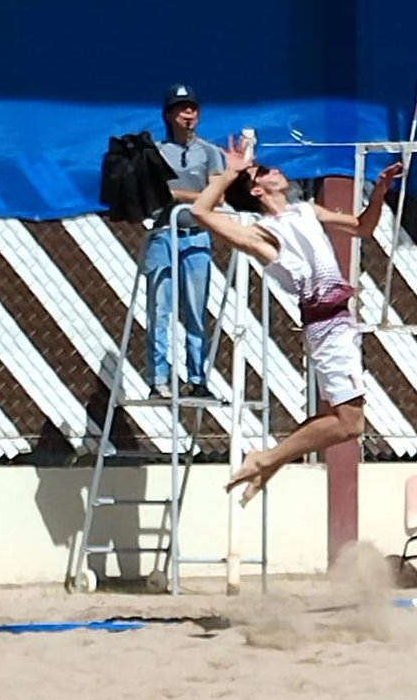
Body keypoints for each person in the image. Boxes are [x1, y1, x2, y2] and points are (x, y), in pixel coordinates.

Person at [191, 138, 402, 503]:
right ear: (256, 189)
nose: (275, 169)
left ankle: (271, 462)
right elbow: (200, 211)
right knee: (350, 423)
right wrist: (230, 174)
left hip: (340, 323)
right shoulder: (261, 234)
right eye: (263, 171)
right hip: (326, 325)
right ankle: (266, 458)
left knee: (342, 420)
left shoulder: (306, 210)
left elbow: (362, 227)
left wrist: (380, 191)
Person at [143, 83, 225, 399]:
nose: (188, 114)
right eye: (181, 109)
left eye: (192, 108)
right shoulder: (157, 152)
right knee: (159, 308)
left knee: (195, 309)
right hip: (163, 233)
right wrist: (197, 196)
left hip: (196, 236)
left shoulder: (210, 152)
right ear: (169, 115)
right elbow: (153, 194)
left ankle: (197, 378)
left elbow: (217, 196)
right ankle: (158, 379)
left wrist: (179, 196)